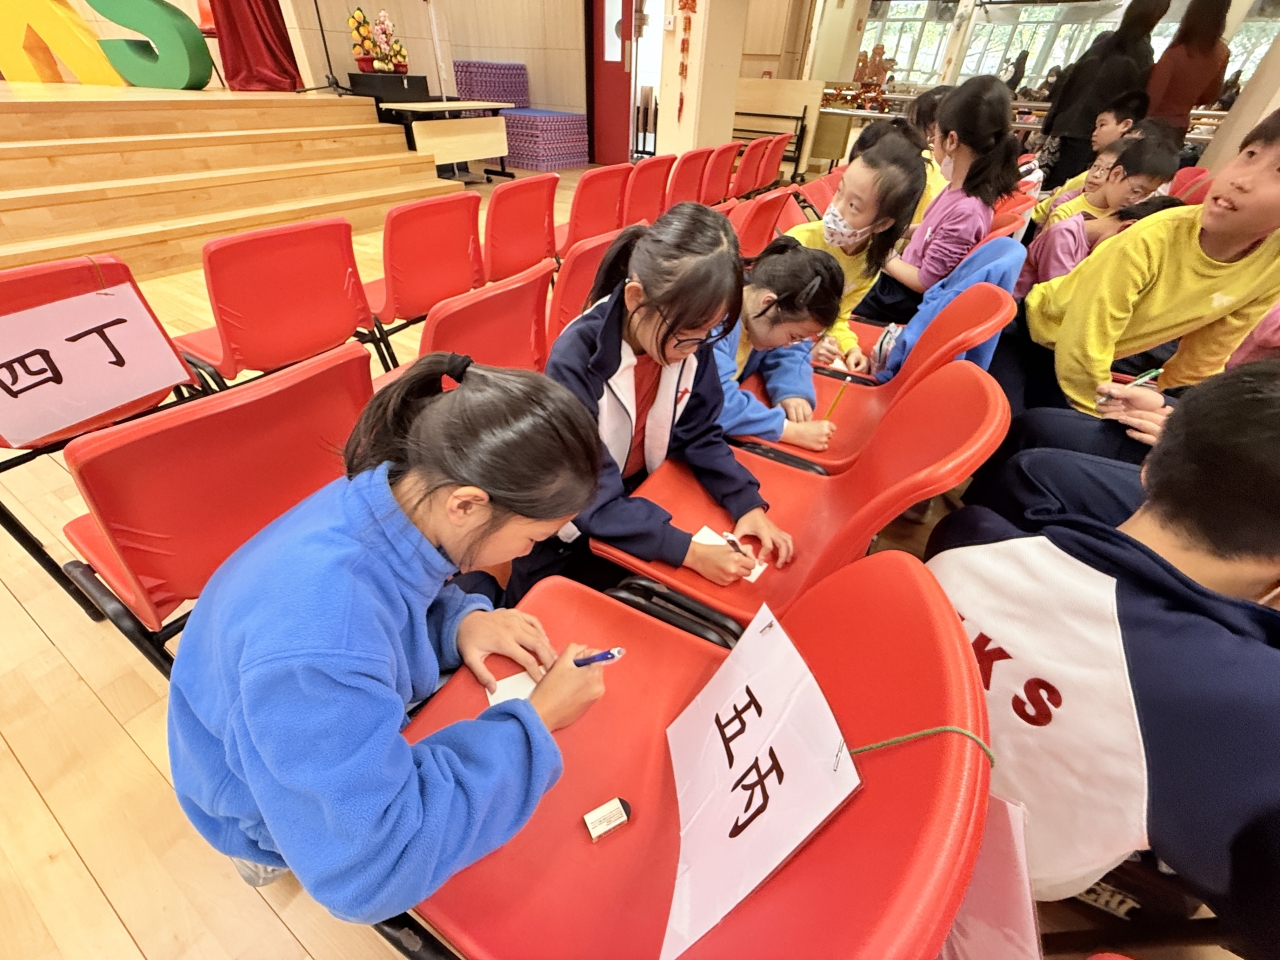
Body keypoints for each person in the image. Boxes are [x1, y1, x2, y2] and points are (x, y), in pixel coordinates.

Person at [167, 353, 608, 922]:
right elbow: (372, 868)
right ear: (466, 504)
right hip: (261, 800)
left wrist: (457, 622)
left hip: (290, 719)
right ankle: (258, 856)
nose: (529, 552)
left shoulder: (390, 494)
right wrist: (536, 723)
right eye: (533, 537)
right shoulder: (321, 644)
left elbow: (393, 591)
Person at [925, 361, 1280, 959]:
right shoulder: (1249, 704)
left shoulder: (965, 543)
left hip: (886, 795)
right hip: (1009, 873)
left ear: (1146, 468)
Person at [507, 203, 794, 603]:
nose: (697, 348)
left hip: (637, 501)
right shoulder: (576, 358)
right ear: (636, 298)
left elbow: (700, 434)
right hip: (568, 534)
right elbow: (587, 495)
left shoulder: (689, 341)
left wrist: (746, 503)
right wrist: (689, 551)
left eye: (709, 333)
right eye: (689, 334)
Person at [990, 107, 1280, 417]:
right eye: (1249, 154)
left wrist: (1170, 413)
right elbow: (1082, 346)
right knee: (1018, 425)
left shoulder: (1272, 266)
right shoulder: (1152, 237)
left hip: (1100, 355)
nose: (1241, 180)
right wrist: (1101, 413)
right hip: (1033, 336)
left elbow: (1201, 362)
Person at [851, 76, 1020, 328]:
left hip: (903, 298)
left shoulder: (968, 209)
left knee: (836, 284)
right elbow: (932, 230)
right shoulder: (959, 190)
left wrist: (882, 254)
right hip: (900, 284)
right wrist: (894, 230)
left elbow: (925, 281)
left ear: (951, 141)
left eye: (935, 136)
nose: (932, 144)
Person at [788, 134, 926, 371]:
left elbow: (837, 318)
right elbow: (764, 320)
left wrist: (850, 348)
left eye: (853, 206)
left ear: (882, 224)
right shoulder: (799, 243)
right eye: (839, 192)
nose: (836, 209)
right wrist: (804, 350)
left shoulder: (867, 265)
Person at [712, 236, 844, 451]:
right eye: (793, 336)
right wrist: (787, 430)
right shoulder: (714, 319)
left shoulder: (758, 314)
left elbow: (791, 350)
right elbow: (714, 399)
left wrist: (792, 389)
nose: (791, 344)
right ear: (769, 304)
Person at [1040, 0, 1171, 189]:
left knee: (1051, 185)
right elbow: (1133, 102)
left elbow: (1068, 84)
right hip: (1095, 132)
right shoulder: (1141, 54)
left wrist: (1050, 124)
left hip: (1063, 126)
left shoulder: (1101, 45)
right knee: (1073, 188)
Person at [1015, 195, 1184, 298]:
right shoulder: (1064, 237)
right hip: (1018, 320)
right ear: (1126, 229)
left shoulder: (1090, 232)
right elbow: (1059, 301)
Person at [1031, 92, 1149, 230]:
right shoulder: (1068, 206)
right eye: (1096, 167)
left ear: (1126, 125)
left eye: (1102, 125)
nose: (1094, 133)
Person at [1042, 136, 1178, 228]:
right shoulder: (1065, 215)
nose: (1136, 200)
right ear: (1116, 174)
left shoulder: (1126, 217)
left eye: (1146, 195)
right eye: (1136, 191)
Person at [1148, 0, 1230, 138]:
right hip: (1179, 128)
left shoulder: (1176, 53)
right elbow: (1209, 96)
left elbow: (1151, 99)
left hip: (1153, 127)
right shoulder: (1222, 53)